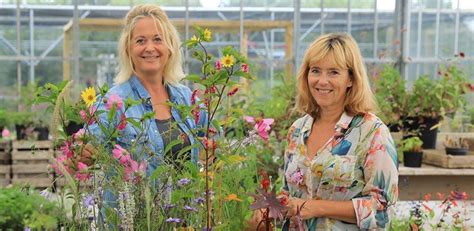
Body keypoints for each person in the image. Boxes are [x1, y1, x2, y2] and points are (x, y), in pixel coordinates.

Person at [281, 33, 398, 230]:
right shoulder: (297, 130)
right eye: (316, 71)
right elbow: (289, 193)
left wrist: (315, 208)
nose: (322, 81)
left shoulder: (371, 132)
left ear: (351, 78)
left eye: (334, 72)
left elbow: (382, 211)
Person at [80, 4, 206, 175]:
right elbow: (85, 150)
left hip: (185, 201)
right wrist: (82, 151)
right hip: (133, 201)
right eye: (140, 41)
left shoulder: (186, 98)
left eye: (158, 39)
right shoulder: (114, 102)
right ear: (128, 49)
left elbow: (213, 139)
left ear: (170, 47)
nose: (150, 48)